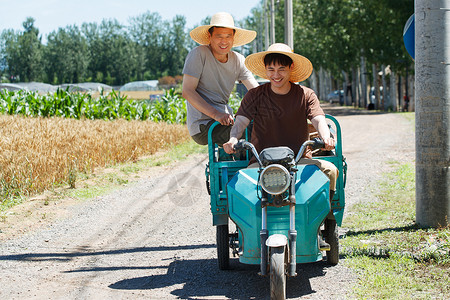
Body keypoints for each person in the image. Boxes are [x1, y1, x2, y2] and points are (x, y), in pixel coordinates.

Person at [223, 43, 338, 250]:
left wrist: (326, 136)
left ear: (291, 69)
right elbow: (240, 122)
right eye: (271, 69)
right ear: (265, 70)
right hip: (260, 161)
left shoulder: (305, 94)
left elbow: (319, 119)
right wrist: (233, 139)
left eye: (281, 69)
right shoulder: (255, 95)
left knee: (330, 171)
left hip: (299, 159)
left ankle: (318, 225)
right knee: (237, 187)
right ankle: (245, 233)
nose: (276, 75)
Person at [182, 12, 259, 146]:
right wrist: (216, 114)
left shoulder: (238, 60)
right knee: (251, 131)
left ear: (233, 38)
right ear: (210, 37)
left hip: (226, 121)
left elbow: (257, 92)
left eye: (228, 36)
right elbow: (187, 91)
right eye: (219, 36)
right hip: (204, 125)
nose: (224, 41)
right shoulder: (199, 54)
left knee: (262, 126)